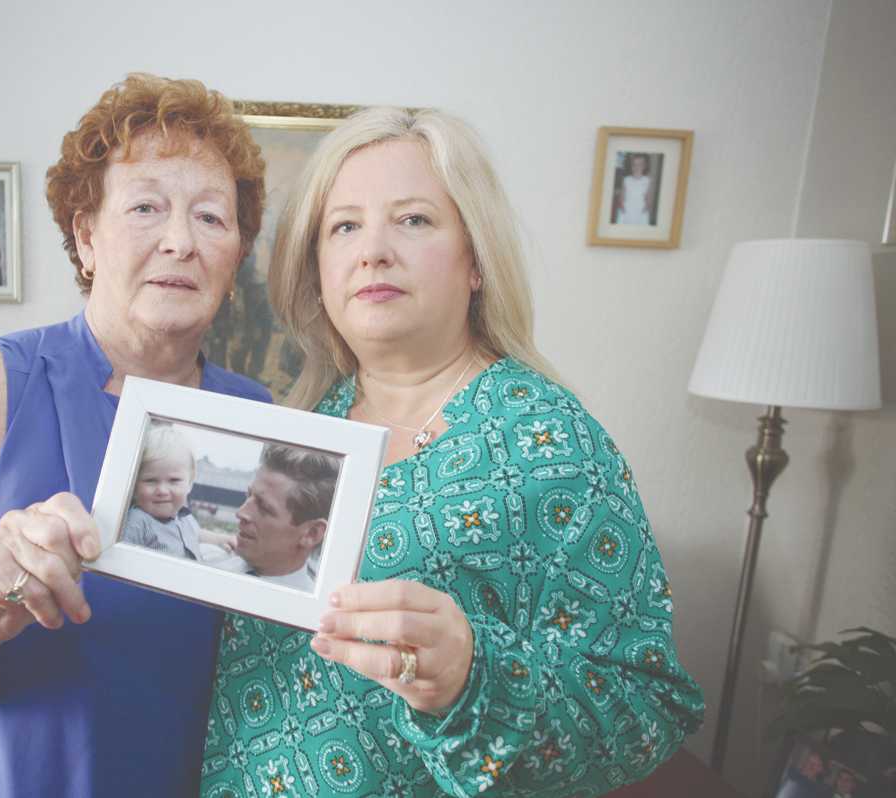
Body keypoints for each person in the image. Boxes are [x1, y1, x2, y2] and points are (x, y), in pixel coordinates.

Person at [200, 108, 704, 796]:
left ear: (475, 260)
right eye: (344, 226)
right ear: (318, 270)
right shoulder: (299, 429)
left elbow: (651, 708)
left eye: (413, 220)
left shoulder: (551, 445)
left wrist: (476, 676)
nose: (374, 249)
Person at [0, 74, 268, 797]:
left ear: (234, 259)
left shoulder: (255, 418)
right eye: (146, 208)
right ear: (86, 237)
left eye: (211, 218)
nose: (180, 241)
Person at [227, 443, 339, 590]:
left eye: (263, 507)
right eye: (248, 495)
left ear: (312, 533)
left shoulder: (316, 611)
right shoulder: (204, 566)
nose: (240, 513)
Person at [120, 421, 235, 560]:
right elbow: (121, 560)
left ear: (190, 483)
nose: (162, 490)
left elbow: (197, 534)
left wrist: (220, 539)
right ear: (135, 483)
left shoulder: (184, 517)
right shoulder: (138, 521)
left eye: (174, 480)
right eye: (150, 480)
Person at [614, 152, 655, 225]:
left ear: (644, 166)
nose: (637, 167)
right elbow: (622, 194)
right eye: (634, 165)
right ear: (631, 166)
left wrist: (648, 205)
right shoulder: (626, 179)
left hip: (640, 209)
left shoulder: (647, 180)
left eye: (640, 165)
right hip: (627, 208)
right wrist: (621, 204)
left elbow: (649, 196)